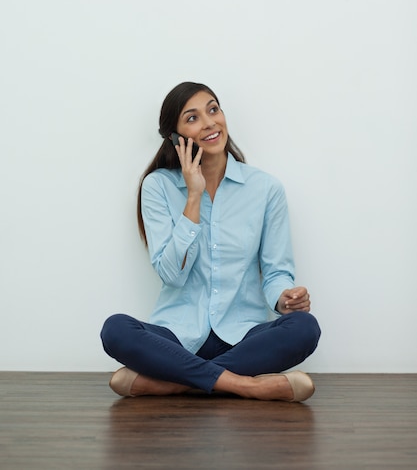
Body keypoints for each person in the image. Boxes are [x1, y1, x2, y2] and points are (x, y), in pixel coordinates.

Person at [101, 81, 321, 402]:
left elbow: (276, 274)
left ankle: (176, 382)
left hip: (244, 335)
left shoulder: (265, 189)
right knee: (115, 330)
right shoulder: (158, 187)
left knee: (304, 328)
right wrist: (194, 195)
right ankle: (246, 386)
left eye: (213, 110)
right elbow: (171, 275)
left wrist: (285, 299)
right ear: (176, 138)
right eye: (192, 118)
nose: (209, 123)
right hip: (176, 336)